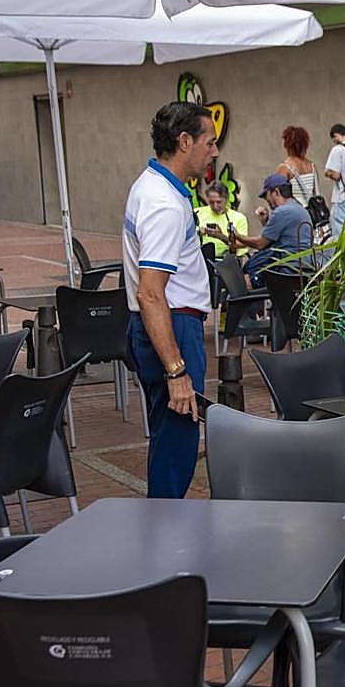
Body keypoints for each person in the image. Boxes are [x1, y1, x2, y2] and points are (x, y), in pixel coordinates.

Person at [122, 100, 218, 499]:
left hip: (168, 323)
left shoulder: (154, 186)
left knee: (169, 437)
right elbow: (150, 292)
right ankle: (165, 537)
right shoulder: (163, 203)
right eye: (209, 142)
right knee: (177, 441)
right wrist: (176, 371)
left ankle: (164, 531)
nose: (214, 150)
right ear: (184, 142)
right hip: (172, 325)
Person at [215, 173, 313, 288]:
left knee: (243, 282)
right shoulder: (298, 208)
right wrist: (265, 221)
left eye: (266, 195)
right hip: (301, 267)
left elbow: (260, 244)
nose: (266, 200)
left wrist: (237, 235)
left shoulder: (282, 212)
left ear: (276, 192)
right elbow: (277, 239)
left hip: (286, 269)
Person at [194, 180, 248, 258]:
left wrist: (220, 236)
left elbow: (243, 244)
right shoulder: (197, 213)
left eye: (219, 202)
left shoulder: (239, 218)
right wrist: (198, 232)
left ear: (226, 199)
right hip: (202, 258)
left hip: (228, 260)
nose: (215, 206)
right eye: (211, 202)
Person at [323, 123, 345, 238]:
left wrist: (327, 172)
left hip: (341, 198)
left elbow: (336, 175)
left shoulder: (338, 149)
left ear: (336, 135)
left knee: (339, 235)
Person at [275, 125, 320, 208]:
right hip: (311, 213)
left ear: (287, 144)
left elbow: (277, 196)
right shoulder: (311, 166)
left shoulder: (285, 167)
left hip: (294, 212)